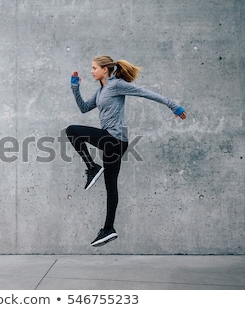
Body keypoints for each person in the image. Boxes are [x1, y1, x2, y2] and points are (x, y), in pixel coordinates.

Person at [66, 55, 187, 247]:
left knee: (72, 130)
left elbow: (145, 93)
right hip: (113, 142)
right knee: (111, 186)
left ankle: (92, 168)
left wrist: (174, 106)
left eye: (94, 68)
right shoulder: (101, 91)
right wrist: (75, 88)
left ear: (105, 69)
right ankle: (108, 229)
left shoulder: (116, 85)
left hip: (114, 139)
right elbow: (84, 108)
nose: (91, 71)